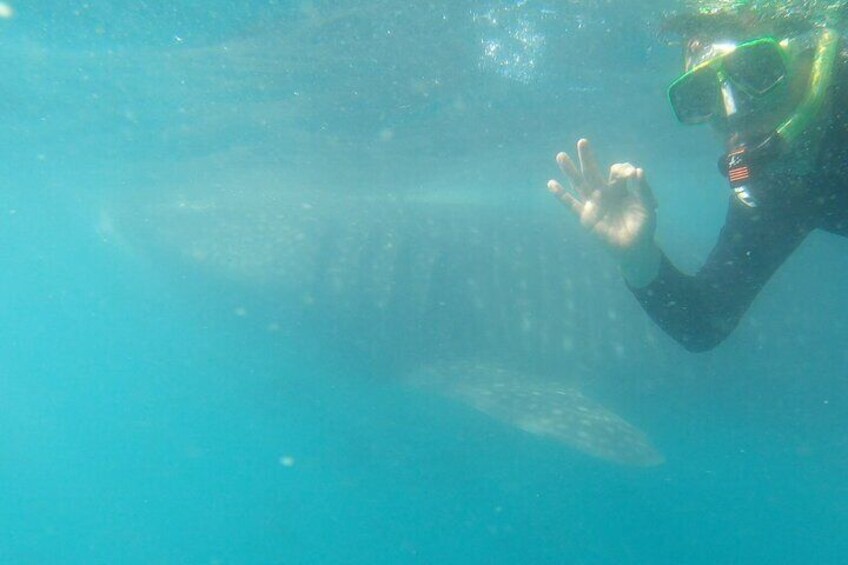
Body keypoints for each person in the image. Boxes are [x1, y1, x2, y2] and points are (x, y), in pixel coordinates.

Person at [547, 0, 848, 352]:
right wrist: (638, 260)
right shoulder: (775, 190)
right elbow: (704, 322)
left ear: (815, 55)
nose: (733, 109)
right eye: (702, 94)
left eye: (756, 71)